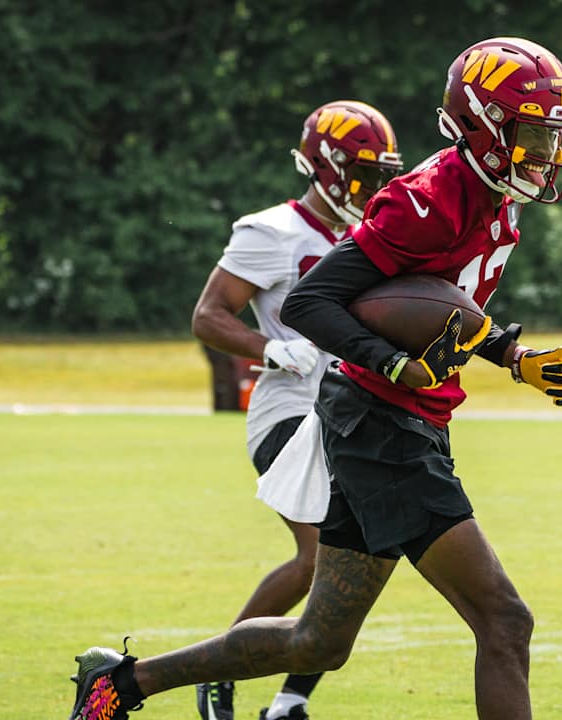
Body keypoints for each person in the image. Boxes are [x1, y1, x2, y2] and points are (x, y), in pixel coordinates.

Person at [67, 37, 562, 720]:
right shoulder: (425, 199)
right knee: (505, 622)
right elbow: (312, 302)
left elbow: (443, 310)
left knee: (321, 639)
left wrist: (511, 357)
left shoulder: (492, 193)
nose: (548, 154)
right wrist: (391, 362)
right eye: (534, 136)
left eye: (555, 138)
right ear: (484, 127)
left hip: (405, 419)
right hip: (381, 425)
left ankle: (121, 683)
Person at [187, 100, 402, 720]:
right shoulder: (272, 231)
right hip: (290, 414)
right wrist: (271, 347)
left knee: (357, 570)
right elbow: (208, 315)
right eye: (362, 174)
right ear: (324, 167)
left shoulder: (373, 235)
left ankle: (288, 703)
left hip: (355, 413)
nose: (374, 187)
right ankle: (216, 672)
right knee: (315, 559)